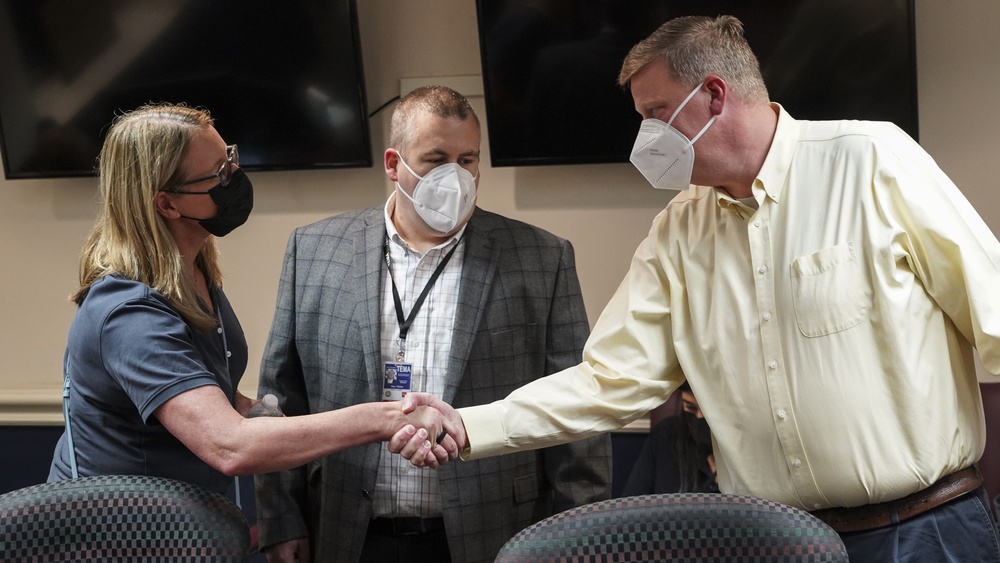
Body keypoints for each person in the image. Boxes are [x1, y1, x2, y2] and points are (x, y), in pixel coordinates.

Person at [396, 15, 1000, 563]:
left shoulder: (872, 161)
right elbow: (609, 379)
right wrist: (471, 425)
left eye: (656, 114)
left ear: (714, 95)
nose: (645, 138)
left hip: (923, 532)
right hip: (774, 543)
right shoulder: (680, 231)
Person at [253, 85, 612, 563]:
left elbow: (575, 410)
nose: (455, 176)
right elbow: (281, 398)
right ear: (393, 164)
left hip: (494, 532)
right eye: (436, 158)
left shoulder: (541, 258)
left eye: (467, 160)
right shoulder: (315, 251)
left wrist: (583, 538)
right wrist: (281, 520)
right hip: (345, 530)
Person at [48, 103, 450, 495]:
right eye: (218, 175)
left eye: (230, 159)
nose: (235, 177)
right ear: (167, 203)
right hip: (119, 535)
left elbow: (213, 399)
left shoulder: (193, 275)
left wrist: (257, 410)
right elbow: (229, 445)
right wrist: (388, 418)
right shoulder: (128, 314)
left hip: (185, 527)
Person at [620, 382, 718, 497]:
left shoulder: (742, 452)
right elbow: (632, 503)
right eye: (690, 408)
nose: (699, 417)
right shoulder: (666, 436)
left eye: (708, 411)